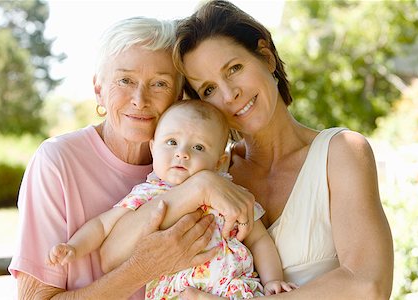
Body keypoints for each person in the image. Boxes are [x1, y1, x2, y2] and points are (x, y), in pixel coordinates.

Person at [8, 16, 254, 299]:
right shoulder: (57, 161)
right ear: (99, 90)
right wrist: (142, 268)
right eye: (125, 80)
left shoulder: (194, 161)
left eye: (159, 84)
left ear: (178, 96)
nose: (140, 99)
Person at [169, 0, 395, 299]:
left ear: (266, 57)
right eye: (208, 89)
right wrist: (202, 183)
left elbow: (368, 285)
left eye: (234, 68)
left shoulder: (340, 152)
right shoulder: (210, 172)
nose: (229, 93)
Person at [47, 100, 296, 299]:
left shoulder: (230, 194)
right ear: (154, 147)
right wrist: (74, 247)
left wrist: (273, 279)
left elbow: (260, 239)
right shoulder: (147, 194)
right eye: (172, 142)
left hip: (236, 291)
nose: (182, 153)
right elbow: (102, 225)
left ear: (220, 161)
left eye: (198, 147)